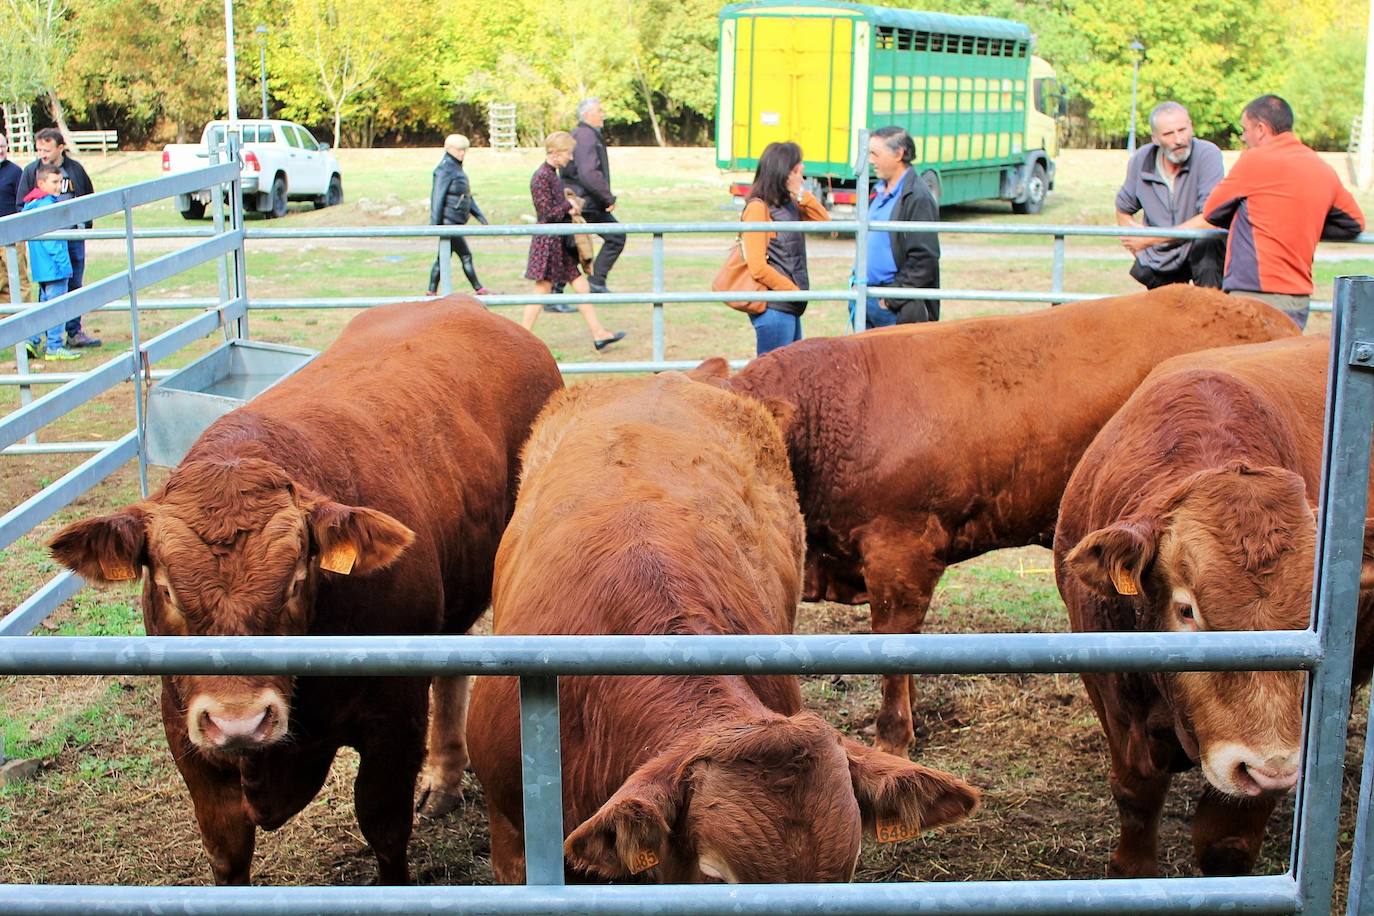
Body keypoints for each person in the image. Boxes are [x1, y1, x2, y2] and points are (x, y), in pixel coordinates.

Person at [1158, 95, 1364, 329]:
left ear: (1261, 129)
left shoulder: (1254, 160)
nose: (1244, 137)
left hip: (1253, 294)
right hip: (1298, 298)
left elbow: (1212, 211)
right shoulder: (1321, 167)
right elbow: (1354, 223)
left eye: (1245, 130)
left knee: (1241, 364)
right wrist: (1304, 221)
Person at [522, 131, 625, 350]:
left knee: (580, 285)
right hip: (549, 244)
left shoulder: (552, 175)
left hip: (559, 242)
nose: (570, 158)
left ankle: (598, 332)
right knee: (542, 290)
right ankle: (521, 338)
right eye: (568, 153)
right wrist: (569, 206)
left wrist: (569, 202)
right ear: (555, 153)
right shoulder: (541, 176)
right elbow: (546, 214)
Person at [1115, 101, 1225, 290]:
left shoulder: (1208, 154)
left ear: (1191, 126)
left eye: (1182, 130)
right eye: (1168, 134)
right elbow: (1123, 208)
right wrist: (1137, 246)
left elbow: (1211, 217)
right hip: (1161, 257)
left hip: (1200, 251)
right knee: (1164, 315)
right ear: (1155, 138)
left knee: (1209, 246)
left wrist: (1151, 238)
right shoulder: (1142, 160)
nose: (1179, 139)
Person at [739, 141, 828, 355]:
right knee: (773, 381)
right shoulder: (759, 209)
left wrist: (800, 194)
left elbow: (827, 225)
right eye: (797, 167)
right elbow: (758, 267)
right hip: (775, 308)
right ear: (784, 172)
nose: (803, 170)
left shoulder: (789, 204)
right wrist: (793, 292)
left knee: (789, 377)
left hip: (789, 306)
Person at [16, 127, 100, 348]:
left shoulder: (75, 170)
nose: (42, 153)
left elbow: (88, 198)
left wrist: (84, 226)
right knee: (50, 287)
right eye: (39, 149)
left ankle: (73, 331)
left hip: (72, 238)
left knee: (73, 284)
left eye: (47, 149)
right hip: (47, 242)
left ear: (60, 148)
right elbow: (22, 205)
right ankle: (46, 338)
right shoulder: (31, 172)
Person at [862, 125, 940, 329]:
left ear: (899, 154)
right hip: (867, 297)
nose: (871, 160)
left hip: (894, 307)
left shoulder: (917, 197)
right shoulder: (876, 191)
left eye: (875, 154)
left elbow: (925, 259)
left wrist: (891, 298)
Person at [559, 97, 623, 295]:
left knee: (571, 246)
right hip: (586, 201)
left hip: (581, 199)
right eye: (599, 111)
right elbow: (589, 173)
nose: (603, 114)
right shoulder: (586, 136)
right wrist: (607, 197)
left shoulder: (581, 134)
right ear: (587, 114)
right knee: (615, 236)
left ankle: (559, 291)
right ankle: (595, 281)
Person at [23, 163, 79, 361]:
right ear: (41, 183)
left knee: (44, 305)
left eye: (60, 182)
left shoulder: (32, 205)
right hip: (54, 268)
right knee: (57, 307)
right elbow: (52, 241)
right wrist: (65, 265)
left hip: (41, 268)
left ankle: (33, 340)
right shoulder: (48, 206)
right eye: (54, 182)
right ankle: (54, 346)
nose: (58, 186)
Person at [426, 134, 493, 297]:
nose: (462, 154)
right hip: (449, 223)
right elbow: (438, 196)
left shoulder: (455, 168)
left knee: (443, 257)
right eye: (459, 150)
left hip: (455, 222)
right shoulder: (445, 170)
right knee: (465, 255)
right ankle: (478, 288)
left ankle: (431, 290)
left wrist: (480, 217)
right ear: (449, 149)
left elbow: (466, 196)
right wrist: (435, 225)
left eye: (464, 150)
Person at [0, 131, 34, 306]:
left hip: (12, 235)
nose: (1, 151)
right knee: (2, 282)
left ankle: (25, 323)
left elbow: (23, 202)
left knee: (18, 278)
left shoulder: (14, 172)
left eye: (3, 147)